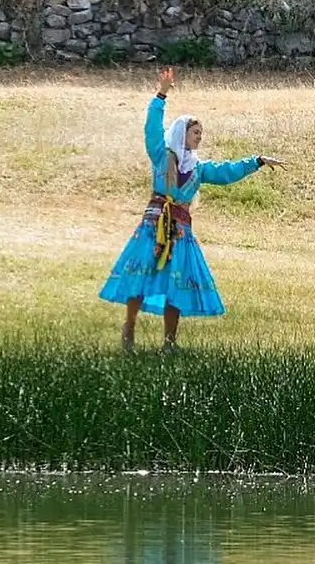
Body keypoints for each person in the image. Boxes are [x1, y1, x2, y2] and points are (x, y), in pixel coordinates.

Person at [100, 67, 284, 352]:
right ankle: (129, 329)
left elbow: (226, 172)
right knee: (140, 274)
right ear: (182, 133)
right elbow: (151, 128)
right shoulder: (162, 156)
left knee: (176, 281)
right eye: (195, 132)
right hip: (154, 225)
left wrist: (256, 161)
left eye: (201, 133)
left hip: (181, 231)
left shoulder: (198, 169)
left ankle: (169, 342)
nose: (199, 137)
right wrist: (161, 95)